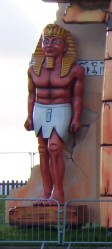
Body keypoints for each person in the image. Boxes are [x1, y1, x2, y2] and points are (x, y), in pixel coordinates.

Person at [24, 23, 85, 204]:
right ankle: (46, 192)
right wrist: (28, 115)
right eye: (46, 41)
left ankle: (58, 193)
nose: (49, 45)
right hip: (39, 109)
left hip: (61, 108)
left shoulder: (75, 70)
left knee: (54, 148)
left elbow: (77, 96)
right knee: (43, 149)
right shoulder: (33, 69)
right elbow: (31, 94)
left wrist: (76, 117)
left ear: (66, 46)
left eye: (55, 41)